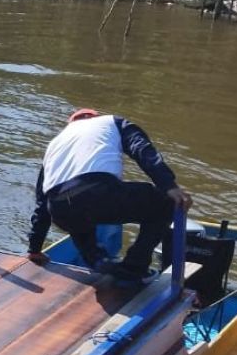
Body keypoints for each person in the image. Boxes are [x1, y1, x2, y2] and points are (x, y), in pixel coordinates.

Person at [26, 109, 194, 284]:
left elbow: (41, 203)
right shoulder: (111, 122)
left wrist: (34, 248)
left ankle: (99, 260)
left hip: (60, 207)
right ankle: (134, 268)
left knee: (80, 226)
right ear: (95, 117)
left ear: (71, 124)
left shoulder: (54, 145)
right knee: (164, 203)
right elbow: (142, 149)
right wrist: (168, 186)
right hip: (99, 192)